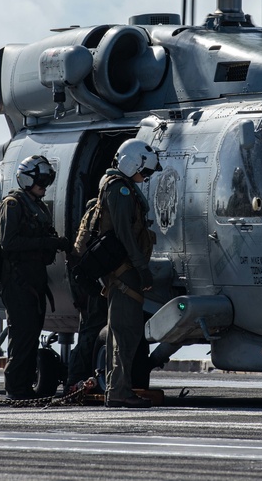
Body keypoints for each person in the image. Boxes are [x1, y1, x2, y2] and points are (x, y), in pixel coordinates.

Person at [0, 155, 70, 400]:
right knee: (22, 336)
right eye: (41, 180)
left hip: (33, 279)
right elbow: (9, 243)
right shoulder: (14, 205)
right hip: (18, 281)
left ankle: (24, 387)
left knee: (30, 334)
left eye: (47, 180)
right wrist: (46, 242)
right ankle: (16, 389)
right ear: (28, 179)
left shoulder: (36, 205)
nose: (45, 185)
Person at [96, 138, 160, 409]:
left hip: (123, 269)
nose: (145, 178)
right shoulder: (119, 190)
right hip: (125, 271)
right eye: (143, 172)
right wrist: (142, 268)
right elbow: (125, 234)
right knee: (126, 332)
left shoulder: (119, 187)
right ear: (130, 163)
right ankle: (119, 390)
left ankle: (117, 388)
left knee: (122, 332)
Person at [66, 197, 108, 391]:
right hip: (94, 285)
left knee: (91, 330)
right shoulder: (97, 214)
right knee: (90, 331)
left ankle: (80, 378)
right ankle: (75, 379)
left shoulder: (93, 214)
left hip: (94, 283)